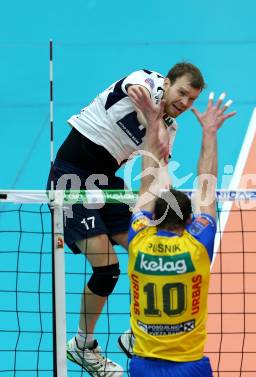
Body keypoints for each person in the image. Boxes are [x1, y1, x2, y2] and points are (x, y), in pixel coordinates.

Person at [48, 62, 206, 375]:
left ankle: (136, 334)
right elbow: (136, 91)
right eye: (183, 93)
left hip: (106, 183)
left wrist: (177, 212)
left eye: (193, 100)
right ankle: (82, 347)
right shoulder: (144, 81)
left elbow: (158, 171)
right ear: (168, 82)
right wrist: (152, 114)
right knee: (107, 269)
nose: (186, 103)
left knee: (147, 253)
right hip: (69, 180)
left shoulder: (169, 127)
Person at [125, 83, 235, 376]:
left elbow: (147, 184)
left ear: (154, 219)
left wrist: (152, 124)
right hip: (188, 366)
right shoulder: (198, 244)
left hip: (142, 365)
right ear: (189, 222)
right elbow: (206, 186)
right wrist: (209, 132)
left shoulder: (138, 238)